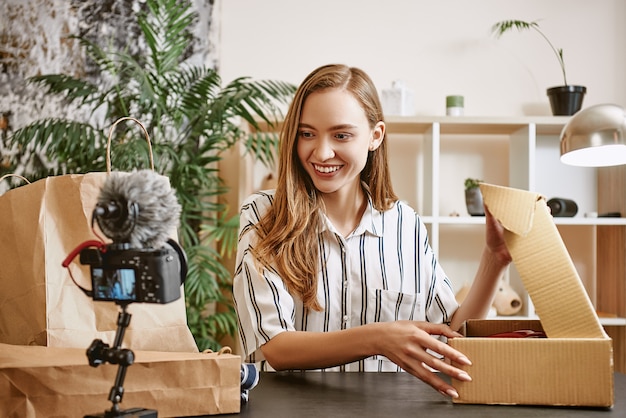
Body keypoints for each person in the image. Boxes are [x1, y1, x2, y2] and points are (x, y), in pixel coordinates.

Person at [232, 64, 512, 399]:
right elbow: (275, 347)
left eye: (341, 135)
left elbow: (450, 333)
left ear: (375, 136)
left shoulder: (405, 224)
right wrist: (378, 339)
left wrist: (495, 259)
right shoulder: (264, 215)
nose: (320, 152)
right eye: (307, 134)